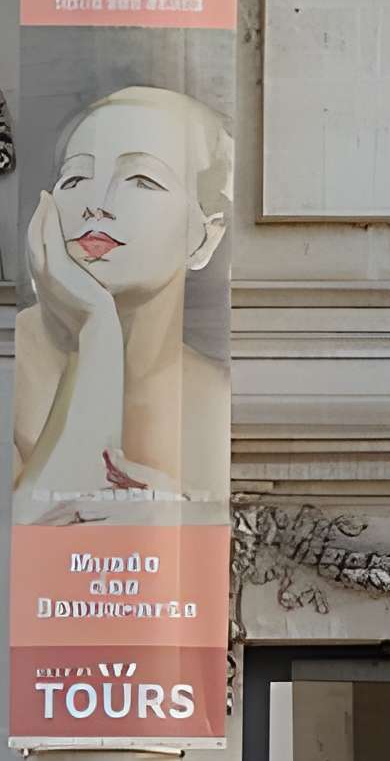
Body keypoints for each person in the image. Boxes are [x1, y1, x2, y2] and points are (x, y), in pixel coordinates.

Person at [13, 83, 233, 519]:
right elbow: (43, 529)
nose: (97, 205)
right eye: (75, 178)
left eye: (142, 180)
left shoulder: (217, 401)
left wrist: (187, 519)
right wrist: (94, 326)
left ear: (205, 237)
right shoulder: (0, 364)